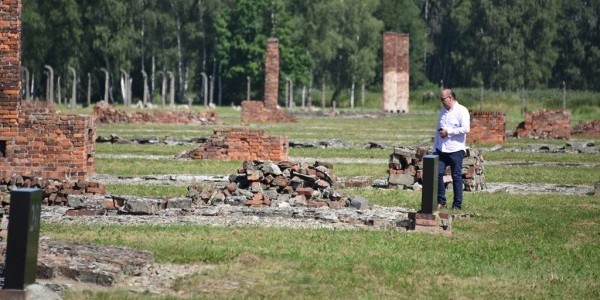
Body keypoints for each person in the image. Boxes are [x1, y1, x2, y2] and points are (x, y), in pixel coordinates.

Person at [434, 88, 470, 210]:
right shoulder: (442, 112)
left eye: (443, 99)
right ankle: (441, 201)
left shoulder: (462, 111)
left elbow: (466, 129)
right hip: (441, 149)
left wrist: (448, 132)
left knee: (456, 176)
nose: (442, 101)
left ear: (451, 98)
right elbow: (438, 131)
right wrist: (436, 147)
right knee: (437, 174)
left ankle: (457, 205)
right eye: (440, 99)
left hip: (456, 149)